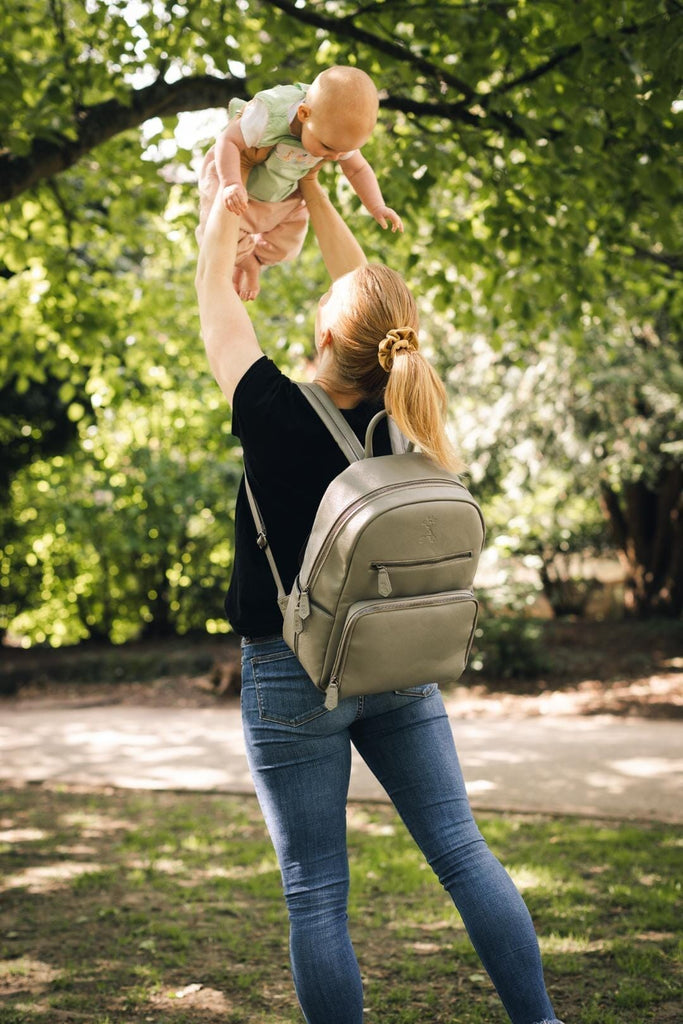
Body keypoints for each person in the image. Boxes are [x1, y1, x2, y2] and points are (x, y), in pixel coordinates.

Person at [195, 172, 565, 1024]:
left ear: (326, 328)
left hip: (294, 675)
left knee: (317, 895)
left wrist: (222, 219)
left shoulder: (272, 411)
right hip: (395, 663)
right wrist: (317, 194)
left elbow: (215, 296)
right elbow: (363, 298)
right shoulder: (402, 419)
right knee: (464, 855)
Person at [196, 65, 403, 301]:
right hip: (234, 172)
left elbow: (357, 169)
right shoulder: (268, 113)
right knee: (218, 232)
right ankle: (245, 263)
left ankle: (254, 260)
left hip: (281, 191)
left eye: (344, 151)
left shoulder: (336, 131)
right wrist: (231, 182)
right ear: (304, 114)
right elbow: (228, 141)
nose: (334, 157)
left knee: (290, 243)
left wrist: (377, 206)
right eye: (327, 147)